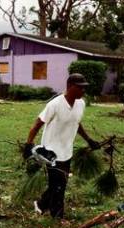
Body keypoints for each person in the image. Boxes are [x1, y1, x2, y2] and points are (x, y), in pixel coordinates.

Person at [25, 73, 99, 219]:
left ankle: (40, 205)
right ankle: (57, 217)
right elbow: (37, 124)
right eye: (80, 88)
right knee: (58, 185)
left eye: (84, 88)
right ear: (70, 86)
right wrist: (28, 145)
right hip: (50, 152)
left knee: (60, 183)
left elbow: (76, 123)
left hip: (67, 151)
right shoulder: (55, 104)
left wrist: (89, 140)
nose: (83, 91)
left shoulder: (80, 104)